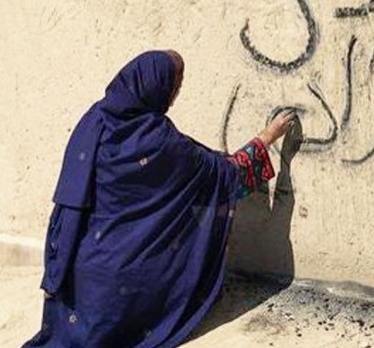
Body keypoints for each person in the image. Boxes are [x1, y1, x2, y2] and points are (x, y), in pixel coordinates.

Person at [22, 50, 295, 348]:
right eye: (175, 86)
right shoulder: (157, 140)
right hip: (121, 283)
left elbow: (70, 194)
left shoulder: (94, 120)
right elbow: (223, 174)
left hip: (77, 272)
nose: (174, 96)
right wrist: (267, 137)